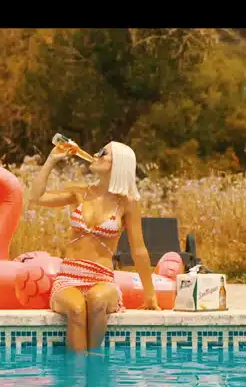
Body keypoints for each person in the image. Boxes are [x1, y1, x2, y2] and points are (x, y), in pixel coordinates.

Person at [29, 139, 160, 351]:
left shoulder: (127, 203)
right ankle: (78, 369)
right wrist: (51, 160)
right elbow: (36, 197)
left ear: (119, 164)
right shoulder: (80, 192)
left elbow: (138, 250)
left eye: (104, 153)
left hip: (102, 278)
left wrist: (150, 294)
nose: (97, 155)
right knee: (76, 309)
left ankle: (95, 366)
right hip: (69, 277)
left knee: (97, 301)